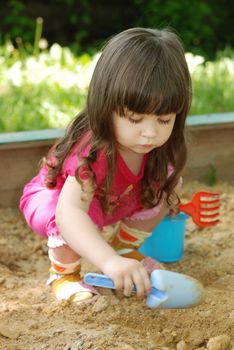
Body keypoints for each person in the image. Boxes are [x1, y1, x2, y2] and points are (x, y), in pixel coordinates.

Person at [19, 27, 192, 305]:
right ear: (105, 107)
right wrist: (108, 262)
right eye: (135, 119)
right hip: (57, 201)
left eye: (164, 120)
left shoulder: (154, 148)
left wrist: (118, 257)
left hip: (113, 199)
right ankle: (64, 274)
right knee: (77, 215)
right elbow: (70, 214)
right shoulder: (90, 154)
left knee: (169, 185)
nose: (150, 133)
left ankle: (125, 250)